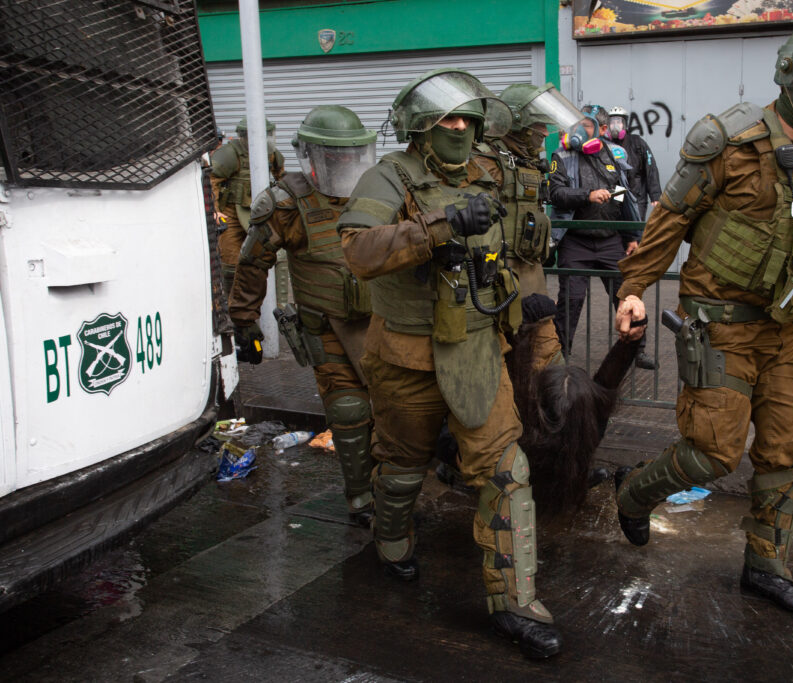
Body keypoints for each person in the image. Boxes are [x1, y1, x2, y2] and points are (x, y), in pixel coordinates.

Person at [612, 22, 793, 619]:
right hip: (720, 327)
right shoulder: (727, 141)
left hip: (789, 332)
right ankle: (633, 494)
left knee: (785, 453)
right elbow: (669, 221)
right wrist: (633, 290)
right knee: (712, 453)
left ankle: (767, 565)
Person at [337, 68, 562, 660]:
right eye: (447, 119)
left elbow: (500, 252)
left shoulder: (488, 173)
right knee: (404, 466)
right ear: (419, 126)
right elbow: (357, 251)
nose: (459, 128)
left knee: (506, 471)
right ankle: (391, 540)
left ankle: (515, 601)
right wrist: (433, 228)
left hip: (476, 349)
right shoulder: (389, 176)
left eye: (467, 119)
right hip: (406, 357)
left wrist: (521, 303)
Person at [229, 106, 376, 525]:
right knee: (348, 413)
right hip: (324, 328)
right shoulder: (286, 203)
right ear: (313, 156)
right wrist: (244, 320)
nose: (344, 163)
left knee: (397, 413)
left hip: (382, 324)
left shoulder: (379, 192)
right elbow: (254, 260)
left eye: (350, 155)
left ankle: (395, 495)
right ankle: (362, 501)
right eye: (335, 156)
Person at [472, 82, 587, 369]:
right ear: (519, 125)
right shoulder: (487, 160)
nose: (545, 134)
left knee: (545, 356)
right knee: (502, 359)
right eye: (539, 126)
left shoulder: (528, 161)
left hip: (530, 272)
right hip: (498, 277)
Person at [549, 108, 656, 370]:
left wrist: (631, 235)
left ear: (601, 130)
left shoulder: (613, 155)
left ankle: (636, 351)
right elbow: (557, 193)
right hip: (576, 241)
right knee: (571, 301)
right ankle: (559, 356)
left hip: (610, 241)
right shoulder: (561, 155)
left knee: (627, 296)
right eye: (580, 124)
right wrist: (587, 195)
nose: (582, 129)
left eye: (589, 125)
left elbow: (624, 195)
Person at [210, 117, 286, 294]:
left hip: (262, 211)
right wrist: (216, 211)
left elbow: (282, 177)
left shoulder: (271, 153)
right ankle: (231, 304)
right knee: (230, 259)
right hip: (232, 213)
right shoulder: (230, 154)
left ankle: (273, 304)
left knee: (275, 256)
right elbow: (212, 180)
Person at [605, 105, 662, 219]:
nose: (615, 125)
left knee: (635, 228)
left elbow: (650, 168)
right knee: (617, 228)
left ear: (625, 124)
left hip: (637, 195)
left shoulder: (637, 143)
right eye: (612, 122)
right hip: (616, 194)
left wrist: (655, 196)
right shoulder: (606, 144)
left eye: (619, 122)